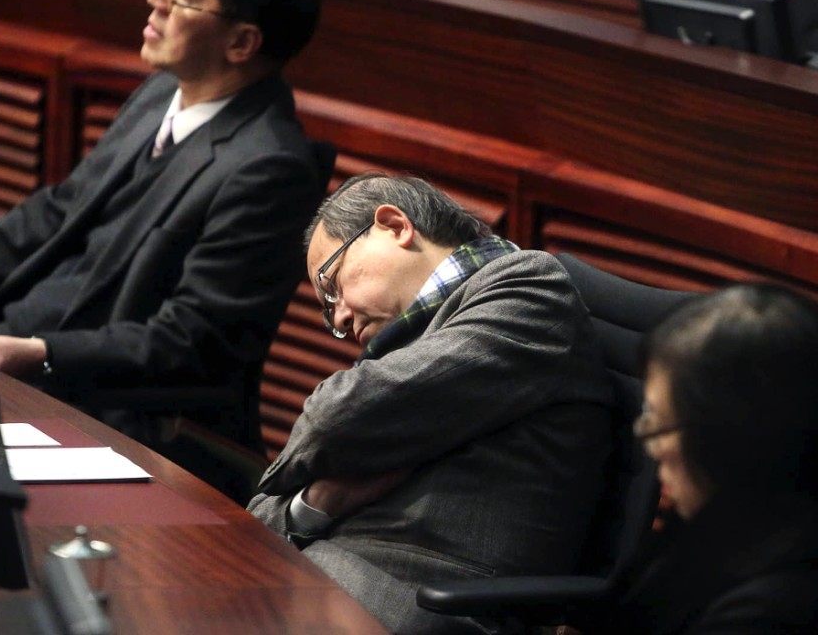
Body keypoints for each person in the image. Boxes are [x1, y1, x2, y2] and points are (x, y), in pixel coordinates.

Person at [0, 0, 325, 455]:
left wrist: (40, 354)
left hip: (110, 421)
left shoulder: (271, 167)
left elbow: (190, 341)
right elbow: (51, 218)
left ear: (241, 43)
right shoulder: (164, 92)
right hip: (11, 368)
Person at [248, 173, 615, 634]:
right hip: (331, 578)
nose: (339, 317)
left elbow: (331, 418)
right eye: (328, 308)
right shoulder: (411, 339)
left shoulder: (526, 289)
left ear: (394, 225)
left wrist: (312, 482)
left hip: (412, 602)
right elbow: (259, 515)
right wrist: (317, 500)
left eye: (334, 283)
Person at [586, 283, 818, 634]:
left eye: (663, 424)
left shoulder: (778, 612)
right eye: (650, 415)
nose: (651, 444)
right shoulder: (730, 516)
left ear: (737, 439)